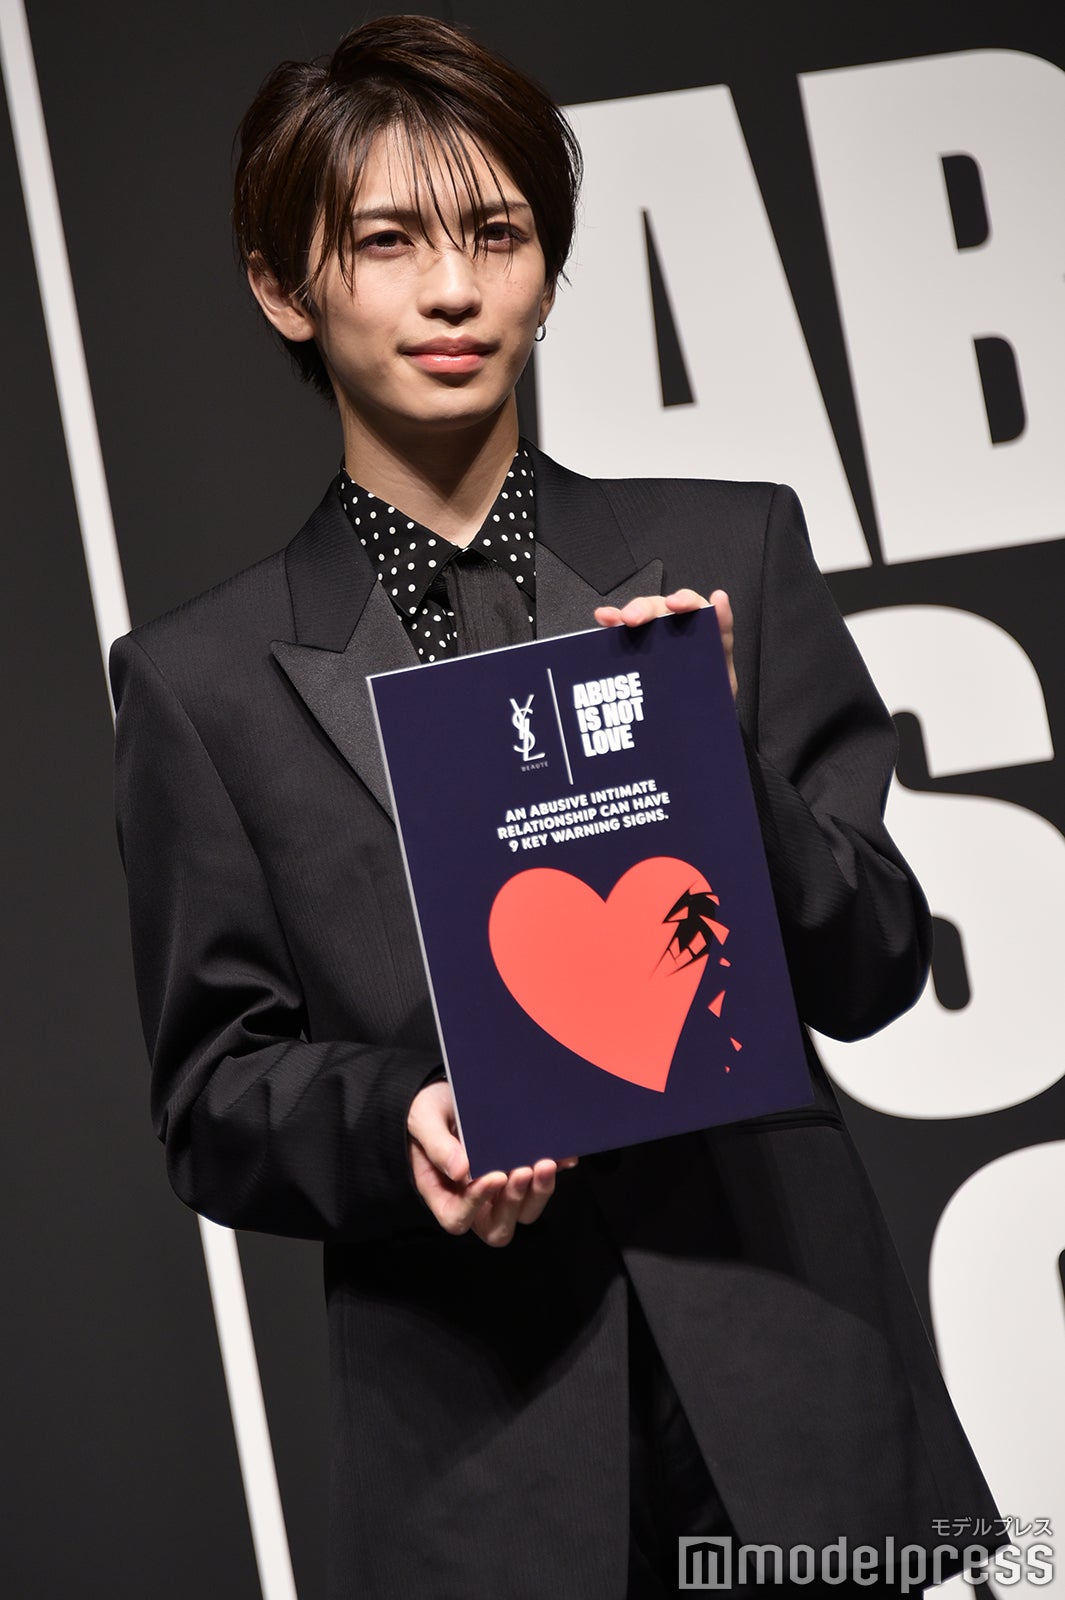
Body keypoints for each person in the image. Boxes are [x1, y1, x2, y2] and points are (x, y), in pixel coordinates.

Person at [110, 15, 1000, 1598]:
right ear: (284, 286)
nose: (452, 290)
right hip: (483, 1448)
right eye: (387, 242)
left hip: (794, 1397)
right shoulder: (200, 682)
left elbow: (875, 965)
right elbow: (214, 1096)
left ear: (546, 265)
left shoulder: (726, 553)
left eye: (497, 234)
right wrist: (400, 1120)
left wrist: (717, 765)